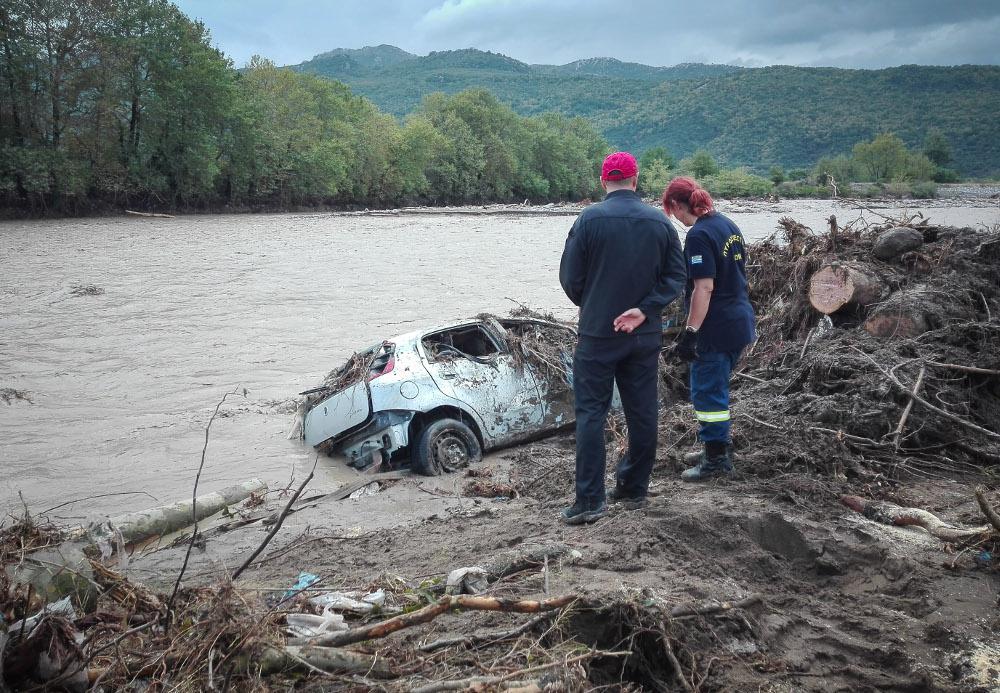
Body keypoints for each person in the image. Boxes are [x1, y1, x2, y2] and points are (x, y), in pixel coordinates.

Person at [558, 151, 686, 524]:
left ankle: (590, 501)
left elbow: (569, 278)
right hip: (644, 334)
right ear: (635, 180)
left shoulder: (588, 220)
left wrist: (595, 303)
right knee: (643, 411)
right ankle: (633, 488)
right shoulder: (660, 224)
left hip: (598, 333)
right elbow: (676, 279)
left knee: (591, 414)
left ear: (604, 182)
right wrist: (645, 309)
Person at [662, 177, 756, 480]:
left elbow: (704, 288)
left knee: (707, 393)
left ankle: (716, 459)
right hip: (740, 319)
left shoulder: (699, 236)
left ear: (677, 205)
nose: (673, 217)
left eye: (671, 210)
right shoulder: (727, 225)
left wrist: (690, 333)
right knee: (717, 389)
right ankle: (715, 446)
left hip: (717, 326)